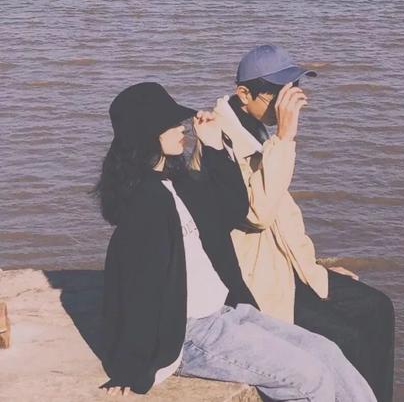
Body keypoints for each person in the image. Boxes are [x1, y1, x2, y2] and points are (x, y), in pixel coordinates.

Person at [95, 81, 376, 401]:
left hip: (228, 312)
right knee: (309, 377)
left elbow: (232, 209)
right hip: (189, 334)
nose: (182, 127)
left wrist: (214, 146)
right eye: (170, 123)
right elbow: (137, 288)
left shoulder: (176, 183)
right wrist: (131, 366)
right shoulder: (145, 204)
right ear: (147, 133)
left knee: (327, 352)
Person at [191, 45, 395, 402]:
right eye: (277, 92)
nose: (287, 101)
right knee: (347, 339)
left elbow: (284, 221)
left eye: (293, 88)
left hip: (289, 268)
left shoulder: (255, 127)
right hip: (257, 283)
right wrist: (285, 138)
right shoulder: (218, 141)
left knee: (378, 309)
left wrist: (314, 266)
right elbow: (257, 214)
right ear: (244, 94)